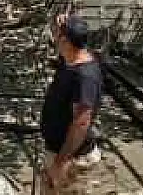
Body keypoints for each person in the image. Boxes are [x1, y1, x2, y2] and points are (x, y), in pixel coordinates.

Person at [39, 13, 104, 194]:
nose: (54, 38)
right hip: (57, 152)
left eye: (58, 36)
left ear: (66, 41)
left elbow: (81, 123)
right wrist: (59, 23)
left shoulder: (85, 76)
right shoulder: (70, 60)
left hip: (73, 159)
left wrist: (61, 163)